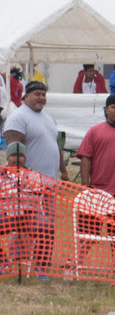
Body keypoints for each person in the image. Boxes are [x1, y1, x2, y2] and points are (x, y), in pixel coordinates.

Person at [0, 142, 56, 277]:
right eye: (13, 155)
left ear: (25, 158)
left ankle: (41, 267)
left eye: (20, 156)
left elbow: (39, 196)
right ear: (8, 158)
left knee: (47, 227)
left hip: (30, 216)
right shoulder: (1, 175)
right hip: (7, 215)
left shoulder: (33, 175)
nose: (17, 159)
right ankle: (3, 262)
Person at [3, 81, 66, 182]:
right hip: (29, 185)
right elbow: (14, 154)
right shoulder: (17, 117)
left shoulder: (49, 118)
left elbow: (56, 146)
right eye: (37, 94)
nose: (41, 97)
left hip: (51, 182)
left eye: (43, 95)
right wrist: (19, 180)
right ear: (26, 96)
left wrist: (64, 171)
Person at [76, 94, 115, 196]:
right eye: (114, 107)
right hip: (100, 191)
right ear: (106, 110)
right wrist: (85, 185)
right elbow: (86, 158)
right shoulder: (94, 131)